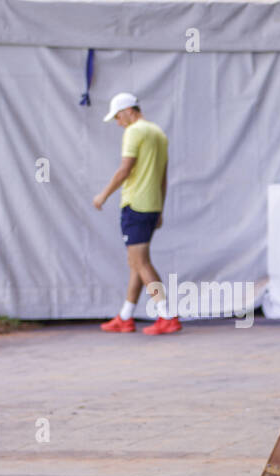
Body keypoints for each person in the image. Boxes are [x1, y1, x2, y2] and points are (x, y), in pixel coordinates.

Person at [93, 92, 180, 334]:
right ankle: (126, 316)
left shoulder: (134, 132)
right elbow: (163, 177)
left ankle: (167, 315)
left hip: (135, 206)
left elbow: (124, 170)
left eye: (118, 117)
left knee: (141, 262)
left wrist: (103, 195)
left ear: (129, 110)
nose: (118, 123)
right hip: (151, 206)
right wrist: (160, 208)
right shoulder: (158, 134)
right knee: (136, 263)